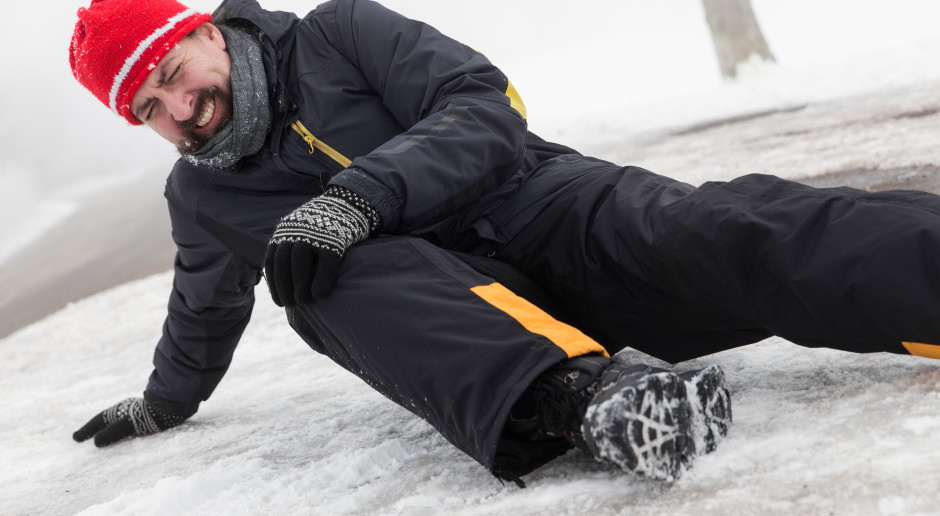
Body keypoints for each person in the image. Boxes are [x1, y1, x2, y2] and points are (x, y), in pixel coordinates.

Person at [68, 0, 940, 486]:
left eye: (173, 75)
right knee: (312, 274)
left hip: (546, 206)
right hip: (462, 331)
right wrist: (164, 402)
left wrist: (363, 191)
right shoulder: (203, 195)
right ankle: (590, 403)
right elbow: (203, 302)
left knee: (728, 229)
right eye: (149, 108)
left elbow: (483, 107)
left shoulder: (340, 33)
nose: (180, 110)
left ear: (206, 33)